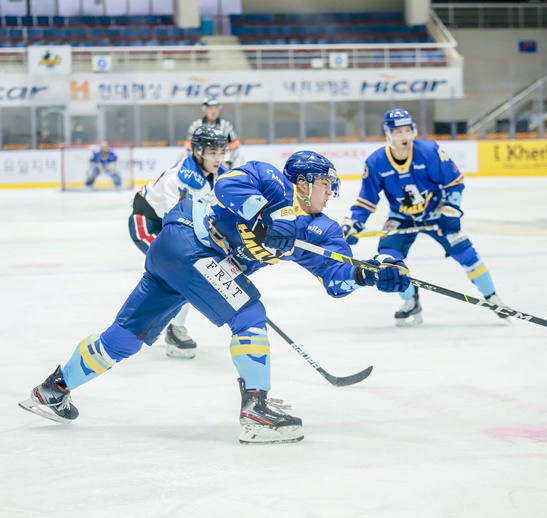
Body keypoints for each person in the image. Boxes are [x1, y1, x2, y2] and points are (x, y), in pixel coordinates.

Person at [20, 151, 411, 445]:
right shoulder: (270, 178)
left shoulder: (320, 231)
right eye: (327, 184)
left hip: (182, 261)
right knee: (250, 313)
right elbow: (228, 185)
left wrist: (369, 275)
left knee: (125, 336)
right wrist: (262, 218)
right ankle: (256, 410)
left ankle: (53, 390)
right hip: (188, 238)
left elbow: (336, 279)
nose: (331, 193)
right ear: (305, 181)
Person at [341, 108, 507, 327]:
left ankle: (493, 298)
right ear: (388, 134)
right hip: (401, 218)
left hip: (436, 214)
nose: (404, 137)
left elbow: (454, 183)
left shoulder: (430, 152)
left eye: (408, 130)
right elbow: (366, 200)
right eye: (398, 132)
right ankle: (411, 300)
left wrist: (450, 210)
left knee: (466, 254)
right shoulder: (375, 162)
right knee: (388, 261)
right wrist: (354, 224)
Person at [129, 125, 228, 359]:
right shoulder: (179, 178)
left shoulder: (220, 175)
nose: (218, 157)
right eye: (212, 152)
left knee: (183, 274)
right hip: (148, 224)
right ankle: (166, 328)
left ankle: (165, 326)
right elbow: (177, 223)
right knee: (183, 272)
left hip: (174, 226)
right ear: (197, 151)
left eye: (221, 152)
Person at [184, 97, 241, 169]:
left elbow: (235, 146)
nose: (213, 111)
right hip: (201, 167)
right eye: (210, 108)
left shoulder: (226, 126)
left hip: (221, 166)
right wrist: (196, 162)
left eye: (216, 108)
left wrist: (229, 163)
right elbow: (189, 146)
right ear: (205, 109)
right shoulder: (196, 126)